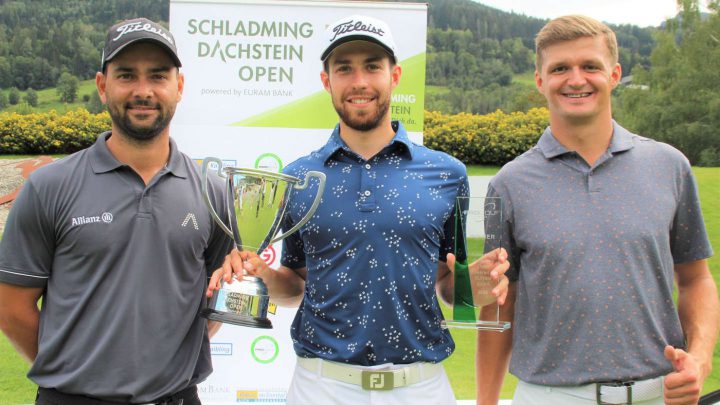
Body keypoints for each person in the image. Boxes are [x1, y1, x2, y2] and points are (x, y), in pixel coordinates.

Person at [207, 14, 510, 405]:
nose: (360, 82)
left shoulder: (447, 173)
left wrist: (477, 286)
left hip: (420, 387)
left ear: (394, 75)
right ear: (326, 81)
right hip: (321, 387)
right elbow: (297, 287)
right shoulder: (299, 178)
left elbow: (447, 287)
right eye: (344, 68)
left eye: (372, 66)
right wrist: (262, 273)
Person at [476, 15, 719, 405]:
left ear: (615, 74)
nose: (576, 79)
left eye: (590, 66)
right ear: (540, 80)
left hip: (659, 394)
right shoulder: (509, 183)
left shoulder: (670, 166)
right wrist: (484, 402)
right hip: (549, 396)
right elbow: (499, 306)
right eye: (559, 68)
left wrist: (701, 361)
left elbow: (696, 280)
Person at [0, 18, 233, 405]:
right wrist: (72, 373)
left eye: (158, 76)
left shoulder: (212, 191)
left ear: (179, 86)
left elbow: (216, 298)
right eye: (127, 75)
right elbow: (11, 307)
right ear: (102, 86)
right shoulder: (50, 186)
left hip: (177, 398)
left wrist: (168, 363)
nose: (143, 91)